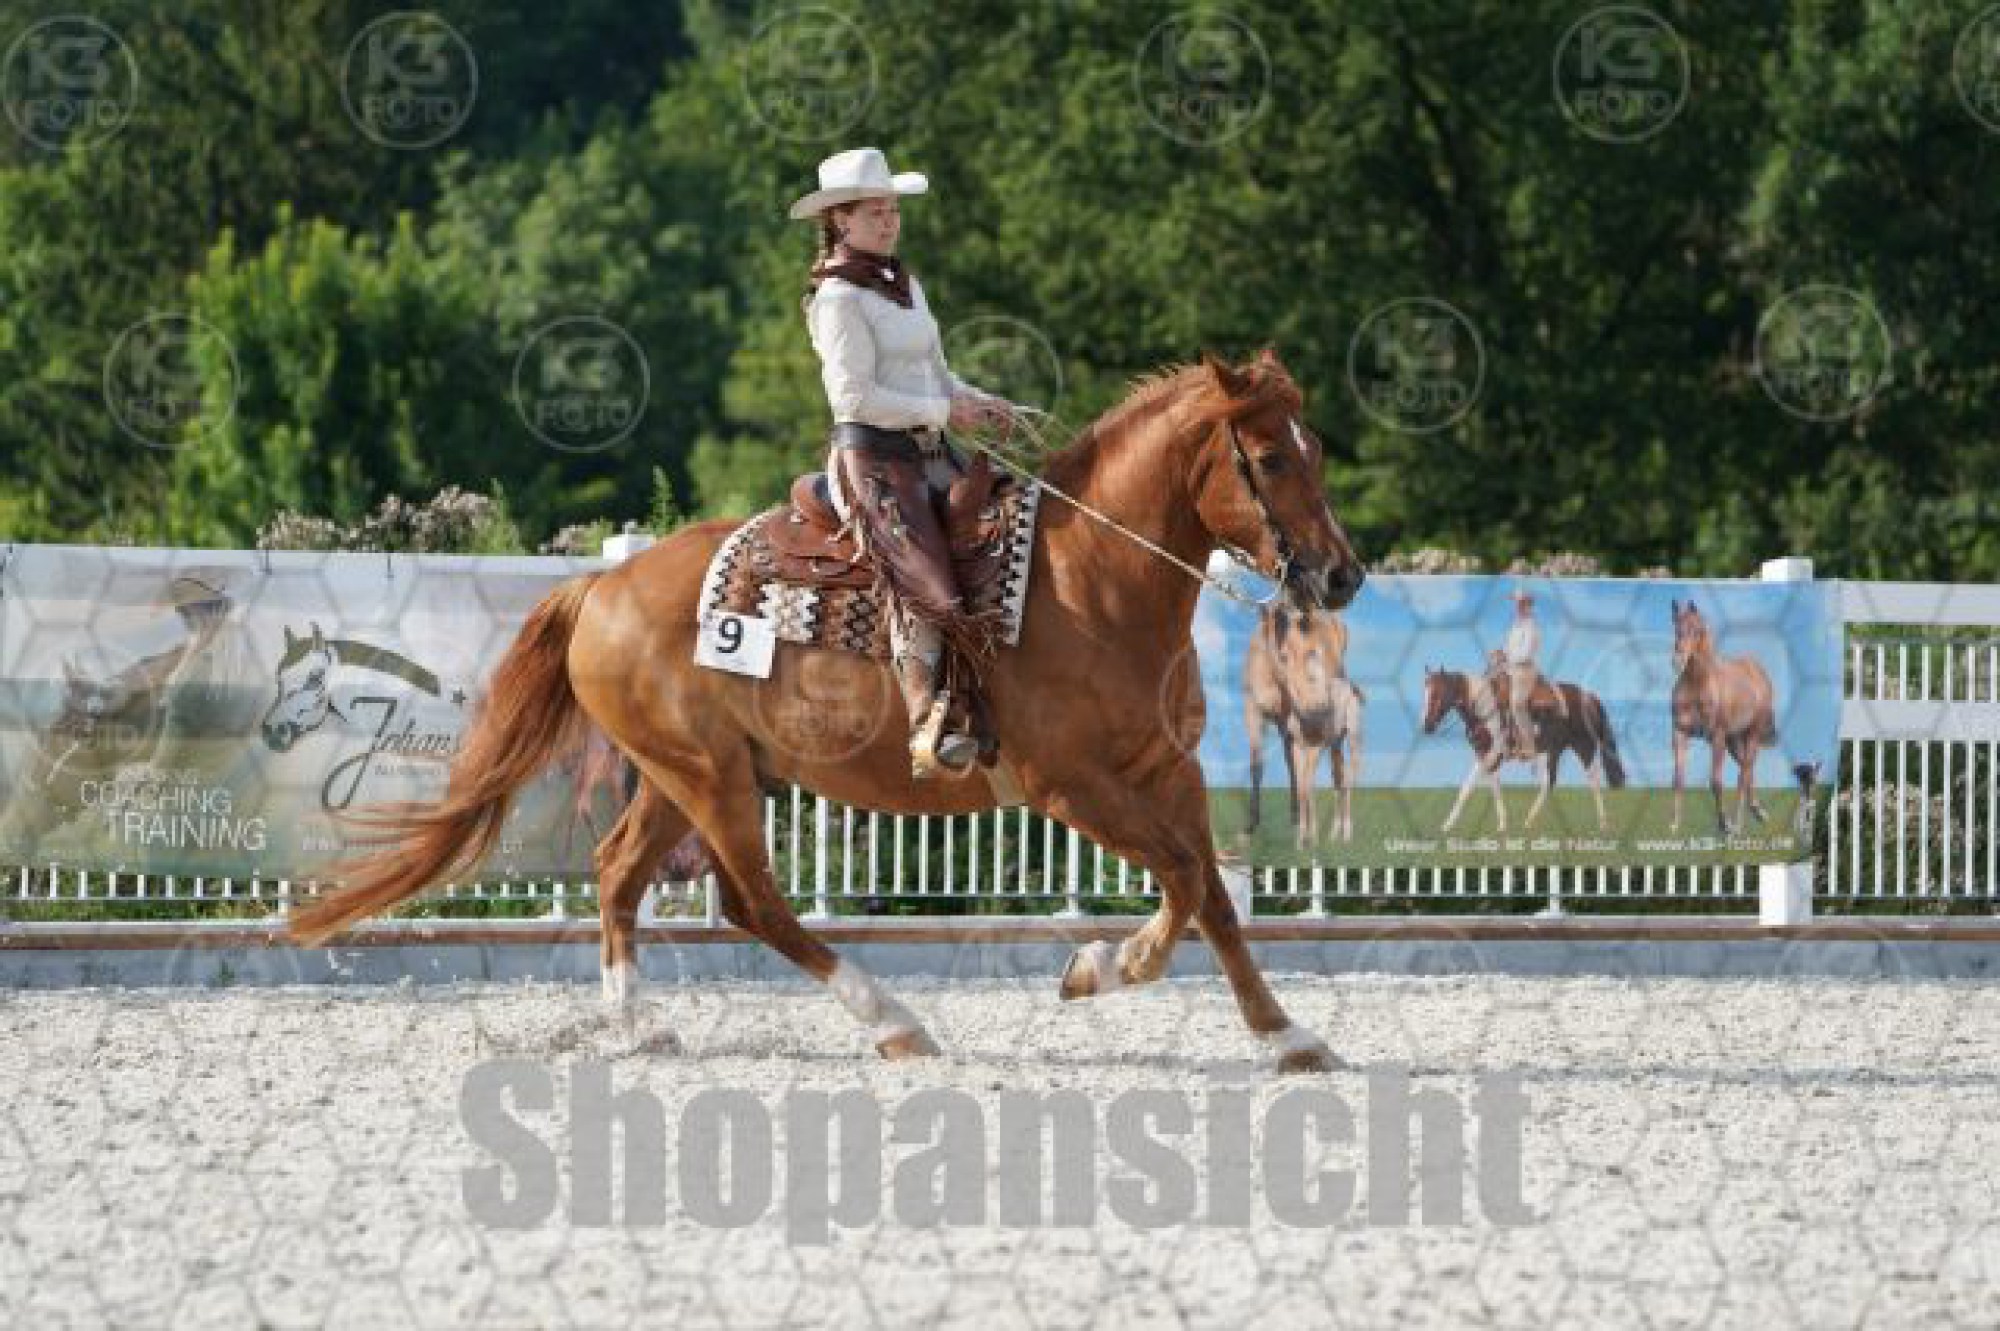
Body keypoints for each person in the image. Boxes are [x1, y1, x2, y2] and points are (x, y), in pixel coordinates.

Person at [789, 147, 1022, 779]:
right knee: (924, 576)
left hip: (930, 453)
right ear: (840, 219)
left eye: (893, 210)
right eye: (875, 212)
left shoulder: (903, 284)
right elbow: (853, 398)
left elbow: (937, 374)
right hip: (872, 459)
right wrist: (946, 412)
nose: (890, 221)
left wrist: (979, 401)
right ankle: (925, 716)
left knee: (1012, 527)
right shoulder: (837, 297)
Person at [1500, 589, 1543, 761]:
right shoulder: (1515, 626)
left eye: (1521, 604)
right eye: (1516, 604)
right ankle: (1506, 741)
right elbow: (1508, 647)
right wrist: (1501, 653)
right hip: (1510, 667)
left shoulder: (1532, 628)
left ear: (1528, 606)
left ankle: (1530, 747)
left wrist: (1508, 658)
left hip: (1524, 670)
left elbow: (1526, 653)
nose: (1517, 607)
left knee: (1517, 704)